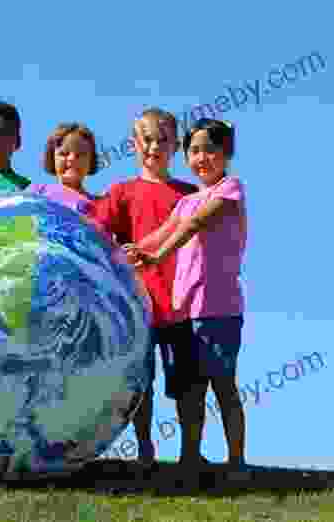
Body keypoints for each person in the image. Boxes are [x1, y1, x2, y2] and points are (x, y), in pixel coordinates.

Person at [130, 118, 248, 473]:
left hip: (219, 310)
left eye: (210, 149)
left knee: (223, 385)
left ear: (226, 153)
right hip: (186, 311)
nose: (201, 157)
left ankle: (237, 460)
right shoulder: (186, 201)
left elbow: (194, 224)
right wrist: (127, 251)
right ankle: (190, 457)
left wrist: (156, 257)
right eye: (194, 150)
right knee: (191, 390)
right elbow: (162, 232)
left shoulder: (230, 189)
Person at [90, 108, 197, 468]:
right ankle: (145, 449)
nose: (154, 147)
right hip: (139, 306)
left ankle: (190, 453)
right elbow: (96, 232)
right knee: (141, 383)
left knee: (187, 384)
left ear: (176, 146)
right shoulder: (122, 191)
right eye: (147, 139)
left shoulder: (190, 194)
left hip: (182, 304)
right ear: (134, 145)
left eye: (163, 140)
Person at [25, 122, 99, 214]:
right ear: (52, 159)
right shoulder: (37, 192)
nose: (72, 159)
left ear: (90, 162)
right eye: (64, 153)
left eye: (80, 154)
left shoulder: (99, 206)